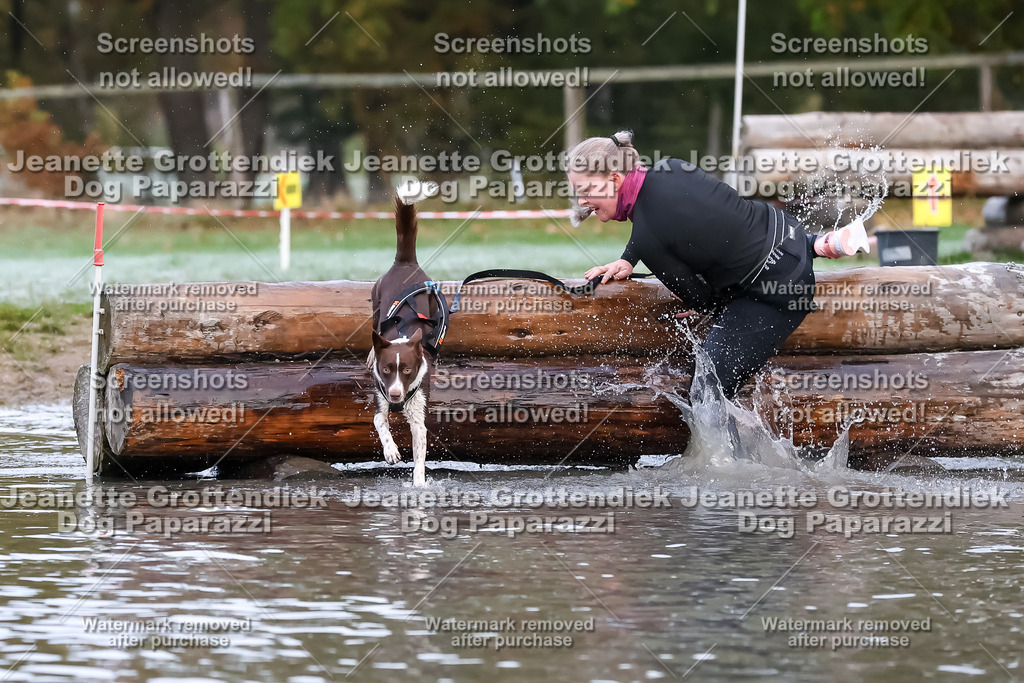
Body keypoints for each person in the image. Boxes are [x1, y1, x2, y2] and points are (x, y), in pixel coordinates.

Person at [566, 130, 868, 400]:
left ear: (614, 180)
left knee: (706, 396)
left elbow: (704, 301)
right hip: (785, 232)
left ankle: (731, 451)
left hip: (778, 291)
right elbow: (706, 218)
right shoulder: (672, 167)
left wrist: (695, 299)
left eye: (586, 191)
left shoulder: (649, 238)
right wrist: (628, 258)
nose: (582, 202)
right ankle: (820, 243)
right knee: (739, 241)